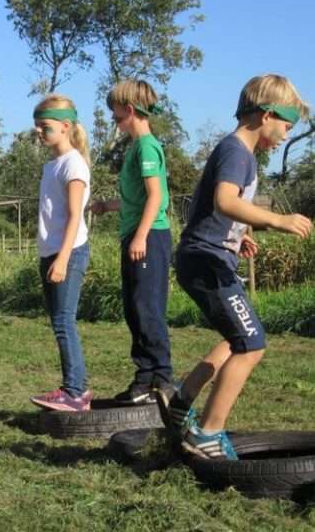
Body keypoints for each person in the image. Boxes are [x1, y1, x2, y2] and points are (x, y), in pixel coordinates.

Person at [155, 74, 313, 459]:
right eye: (286, 126)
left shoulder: (237, 152)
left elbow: (211, 209)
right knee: (252, 344)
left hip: (209, 255)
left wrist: (237, 235)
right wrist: (276, 219)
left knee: (237, 338)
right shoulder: (237, 152)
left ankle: (181, 396)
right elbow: (225, 200)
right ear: (266, 114)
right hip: (207, 261)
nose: (285, 136)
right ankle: (208, 433)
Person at [90, 79, 173, 404]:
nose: (114, 119)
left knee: (147, 308)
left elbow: (157, 197)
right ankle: (144, 377)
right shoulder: (135, 149)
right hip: (137, 235)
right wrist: (106, 206)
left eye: (115, 113)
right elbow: (137, 199)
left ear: (128, 110)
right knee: (134, 309)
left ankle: (163, 378)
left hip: (150, 236)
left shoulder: (148, 146)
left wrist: (140, 235)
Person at [29, 94, 93, 412]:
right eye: (37, 126)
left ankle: (76, 392)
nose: (39, 132)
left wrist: (63, 259)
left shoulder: (73, 164)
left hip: (68, 253)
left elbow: (74, 216)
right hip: (51, 252)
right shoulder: (52, 165)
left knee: (63, 321)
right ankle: (75, 388)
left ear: (66, 126)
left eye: (45, 126)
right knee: (59, 320)